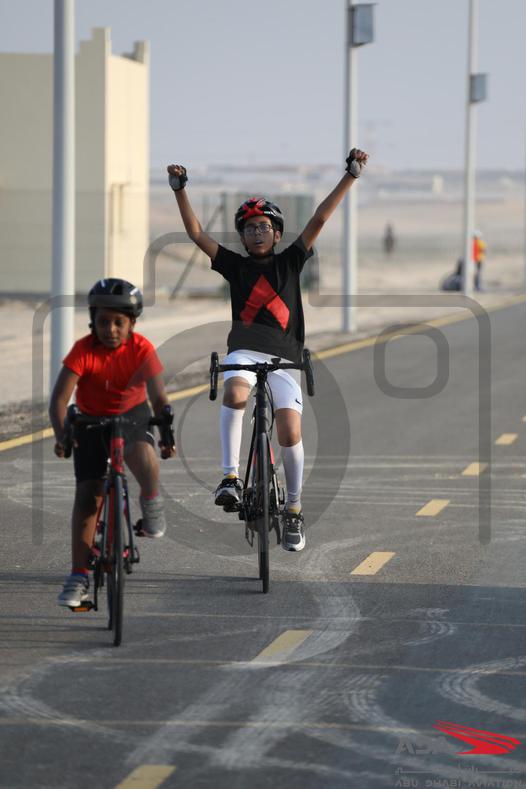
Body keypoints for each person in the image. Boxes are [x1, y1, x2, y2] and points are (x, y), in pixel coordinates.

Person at [167, 149, 368, 551]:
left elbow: (320, 218)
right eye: (249, 228)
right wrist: (180, 190)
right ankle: (230, 477)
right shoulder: (235, 266)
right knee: (234, 391)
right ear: (242, 237)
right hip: (243, 352)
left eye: (264, 226)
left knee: (290, 431)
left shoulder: (290, 262)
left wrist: (350, 176)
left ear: (277, 234)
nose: (257, 232)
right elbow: (196, 234)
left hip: (284, 359)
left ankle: (293, 509)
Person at [49, 278, 176, 608]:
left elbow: (158, 398)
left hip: (132, 416)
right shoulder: (83, 350)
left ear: (132, 323)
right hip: (90, 421)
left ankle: (151, 501)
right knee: (88, 496)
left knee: (144, 457)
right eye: (103, 322)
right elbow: (59, 401)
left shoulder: (142, 349)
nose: (111, 329)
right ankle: (78, 576)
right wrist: (62, 435)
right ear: (93, 321)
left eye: (119, 322)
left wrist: (166, 431)